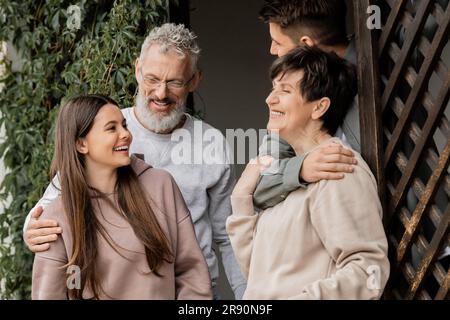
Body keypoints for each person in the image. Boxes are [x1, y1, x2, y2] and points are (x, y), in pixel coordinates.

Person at [24, 23, 246, 299]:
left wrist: (246, 296)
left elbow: (227, 235)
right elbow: (55, 205)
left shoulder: (211, 145)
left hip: (196, 292)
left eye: (175, 82)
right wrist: (32, 232)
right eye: (152, 78)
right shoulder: (108, 135)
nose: (161, 93)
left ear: (194, 81)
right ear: (138, 69)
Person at [227, 46, 390, 299]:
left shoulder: (338, 168)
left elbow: (368, 271)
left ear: (319, 107)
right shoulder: (287, 176)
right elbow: (260, 277)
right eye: (273, 88)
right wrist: (241, 201)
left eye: (285, 90)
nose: (270, 99)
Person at [32, 94, 211, 299]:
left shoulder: (160, 186)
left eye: (124, 125)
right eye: (111, 128)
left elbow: (191, 273)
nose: (125, 134)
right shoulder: (58, 217)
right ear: (81, 144)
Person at [254, 0, 360, 209]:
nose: (272, 50)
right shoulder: (292, 91)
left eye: (277, 42)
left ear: (305, 44)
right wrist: (300, 169)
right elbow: (260, 184)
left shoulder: (386, 61)